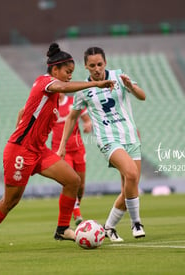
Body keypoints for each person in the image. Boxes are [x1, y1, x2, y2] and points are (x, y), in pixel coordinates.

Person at [0, 43, 115, 253]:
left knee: (73, 180)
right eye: (67, 72)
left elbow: (23, 111)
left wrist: (23, 127)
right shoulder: (45, 81)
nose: (68, 76)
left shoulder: (51, 93)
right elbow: (63, 87)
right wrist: (95, 84)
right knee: (11, 200)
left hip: (38, 151)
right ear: (55, 70)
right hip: (20, 151)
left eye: (71, 73)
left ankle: (63, 228)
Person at [58, 46, 146, 242]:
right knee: (131, 174)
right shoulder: (83, 90)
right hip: (108, 140)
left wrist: (130, 86)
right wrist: (62, 144)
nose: (96, 69)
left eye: (99, 64)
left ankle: (109, 227)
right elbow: (72, 117)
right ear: (86, 67)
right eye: (92, 66)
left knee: (130, 188)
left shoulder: (119, 76)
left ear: (105, 63)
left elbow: (142, 96)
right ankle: (136, 222)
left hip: (131, 137)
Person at [51, 93, 92, 226]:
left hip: (78, 148)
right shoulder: (50, 105)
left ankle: (76, 206)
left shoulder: (73, 102)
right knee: (70, 181)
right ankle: (77, 214)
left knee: (81, 186)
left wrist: (88, 124)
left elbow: (87, 119)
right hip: (61, 150)